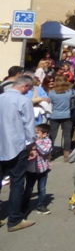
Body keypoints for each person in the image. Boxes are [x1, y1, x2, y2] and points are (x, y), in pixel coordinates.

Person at [0, 75, 36, 231]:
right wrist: (32, 146)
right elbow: (29, 125)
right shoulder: (23, 101)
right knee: (17, 182)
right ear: (25, 86)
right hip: (16, 145)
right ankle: (14, 219)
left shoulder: (1, 97)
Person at [22, 123, 52, 215]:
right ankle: (24, 206)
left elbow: (45, 151)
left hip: (42, 169)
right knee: (28, 189)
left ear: (44, 134)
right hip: (31, 169)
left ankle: (41, 205)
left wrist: (36, 143)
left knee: (42, 188)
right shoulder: (30, 142)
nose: (35, 136)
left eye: (37, 133)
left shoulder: (47, 141)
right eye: (34, 133)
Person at [47, 73, 75, 160]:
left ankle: (49, 154)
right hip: (67, 115)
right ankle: (66, 154)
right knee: (67, 135)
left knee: (52, 135)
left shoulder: (52, 92)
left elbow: (49, 103)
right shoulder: (71, 91)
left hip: (54, 115)